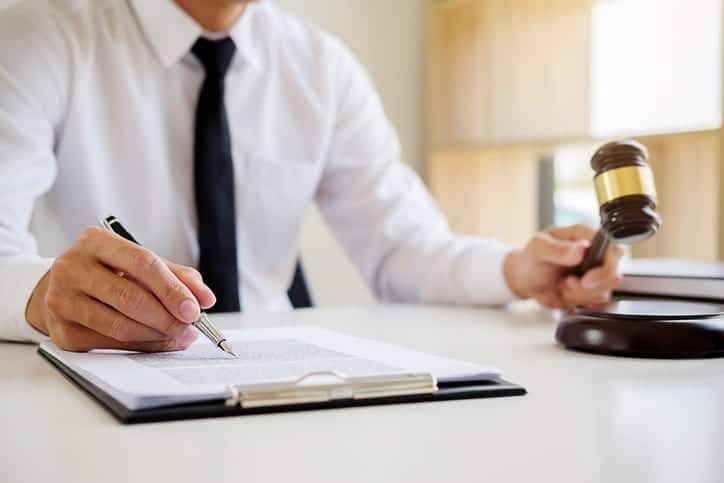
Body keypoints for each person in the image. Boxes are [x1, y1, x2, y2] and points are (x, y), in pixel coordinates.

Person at [0, 0, 623, 352]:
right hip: (109, 375)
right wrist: (44, 294)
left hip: (273, 376)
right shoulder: (41, 36)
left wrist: (514, 270)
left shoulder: (321, 67)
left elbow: (403, 248)